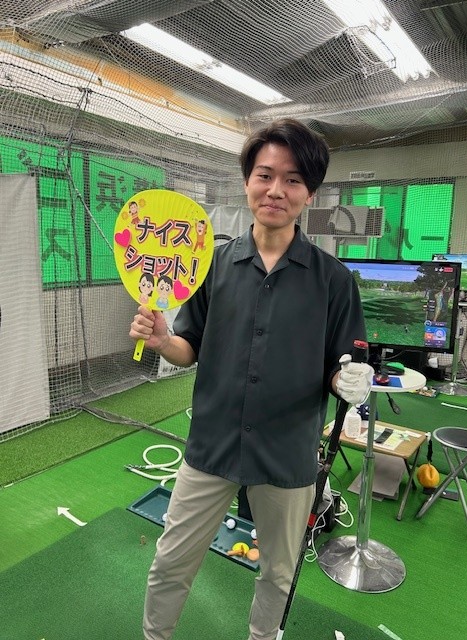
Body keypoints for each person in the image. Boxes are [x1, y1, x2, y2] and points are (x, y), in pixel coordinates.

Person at [129, 118, 373, 640]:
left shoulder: (334, 281)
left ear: (309, 193)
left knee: (278, 573)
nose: (276, 190)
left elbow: (342, 368)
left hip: (287, 453)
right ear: (247, 182)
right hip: (211, 443)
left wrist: (348, 381)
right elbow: (187, 349)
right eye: (265, 175)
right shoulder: (212, 265)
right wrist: (163, 339)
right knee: (171, 561)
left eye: (292, 180)